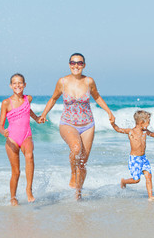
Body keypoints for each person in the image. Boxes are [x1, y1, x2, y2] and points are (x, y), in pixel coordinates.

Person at [38, 53, 115, 200]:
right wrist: (44, 114)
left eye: (79, 63)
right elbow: (53, 98)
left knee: (83, 162)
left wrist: (108, 111)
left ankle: (78, 193)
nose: (76, 66)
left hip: (88, 125)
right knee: (76, 148)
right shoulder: (63, 82)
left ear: (84, 65)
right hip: (68, 123)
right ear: (69, 64)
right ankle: (72, 173)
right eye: (73, 63)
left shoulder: (89, 81)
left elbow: (97, 96)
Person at [0, 73, 40, 206]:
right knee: (16, 171)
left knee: (30, 156)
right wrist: (3, 131)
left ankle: (29, 189)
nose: (18, 85)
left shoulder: (29, 98)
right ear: (11, 86)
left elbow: (28, 110)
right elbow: (0, 124)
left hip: (26, 135)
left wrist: (37, 118)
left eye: (20, 83)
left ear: (25, 85)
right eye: (15, 83)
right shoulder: (6, 103)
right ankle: (13, 197)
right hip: (12, 139)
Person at [110, 110, 154, 201]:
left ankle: (150, 196)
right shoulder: (131, 131)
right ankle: (124, 181)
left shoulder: (145, 131)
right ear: (141, 122)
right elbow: (118, 129)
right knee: (136, 180)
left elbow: (153, 134)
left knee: (148, 175)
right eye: (148, 122)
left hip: (143, 158)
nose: (148, 125)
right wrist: (113, 123)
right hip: (134, 159)